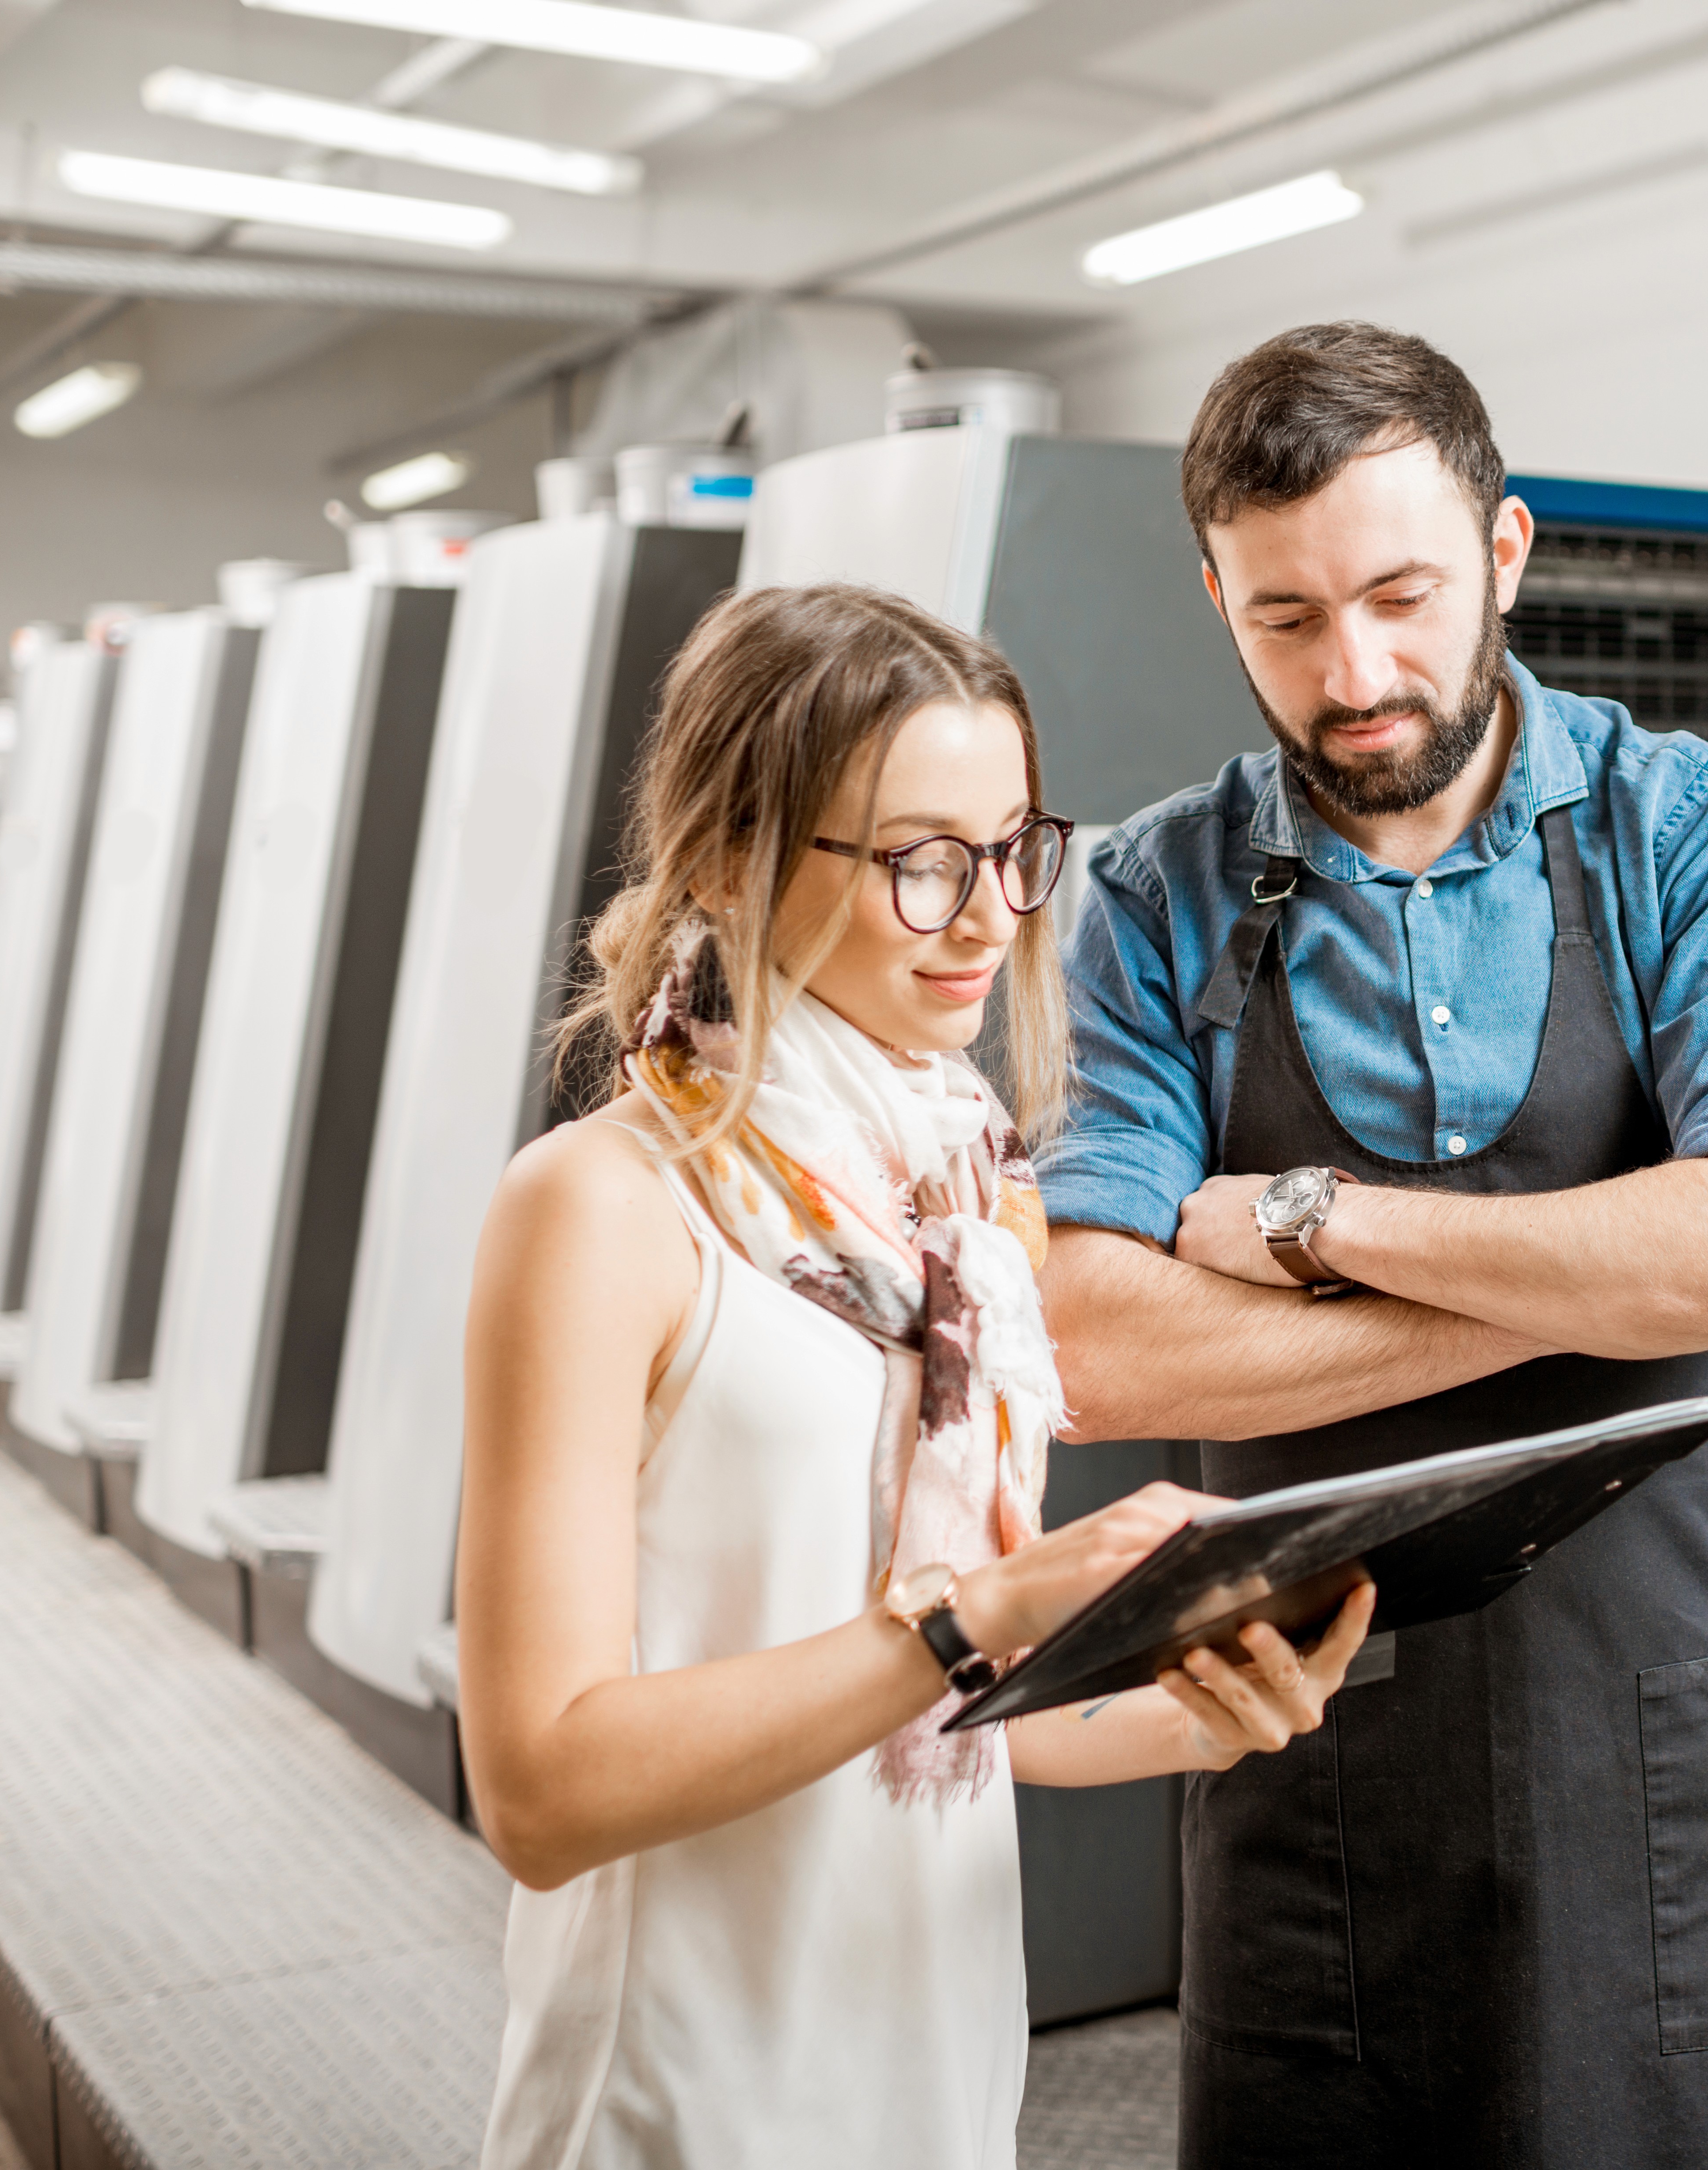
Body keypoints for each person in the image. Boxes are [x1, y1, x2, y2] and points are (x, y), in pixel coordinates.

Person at [1038, 324, 1708, 2168]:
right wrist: (1614, 1317)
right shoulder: (1148, 896)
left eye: (1403, 595)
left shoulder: (1693, 830)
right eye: (1284, 620)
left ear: (1505, 549)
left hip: (1653, 1768)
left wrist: (1310, 1224)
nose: (1354, 673)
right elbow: (1096, 1340)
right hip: (1305, 1764)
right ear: (1212, 599)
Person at [453, 581, 1376, 2170]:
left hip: (934, 2059)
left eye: (1015, 849)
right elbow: (541, 1791)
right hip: (687, 2080)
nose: (990, 916)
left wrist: (1200, 1712)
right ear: (740, 858)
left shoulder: (969, 1205)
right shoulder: (603, 1209)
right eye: (919, 862)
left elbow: (960, 1729)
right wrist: (968, 1622)